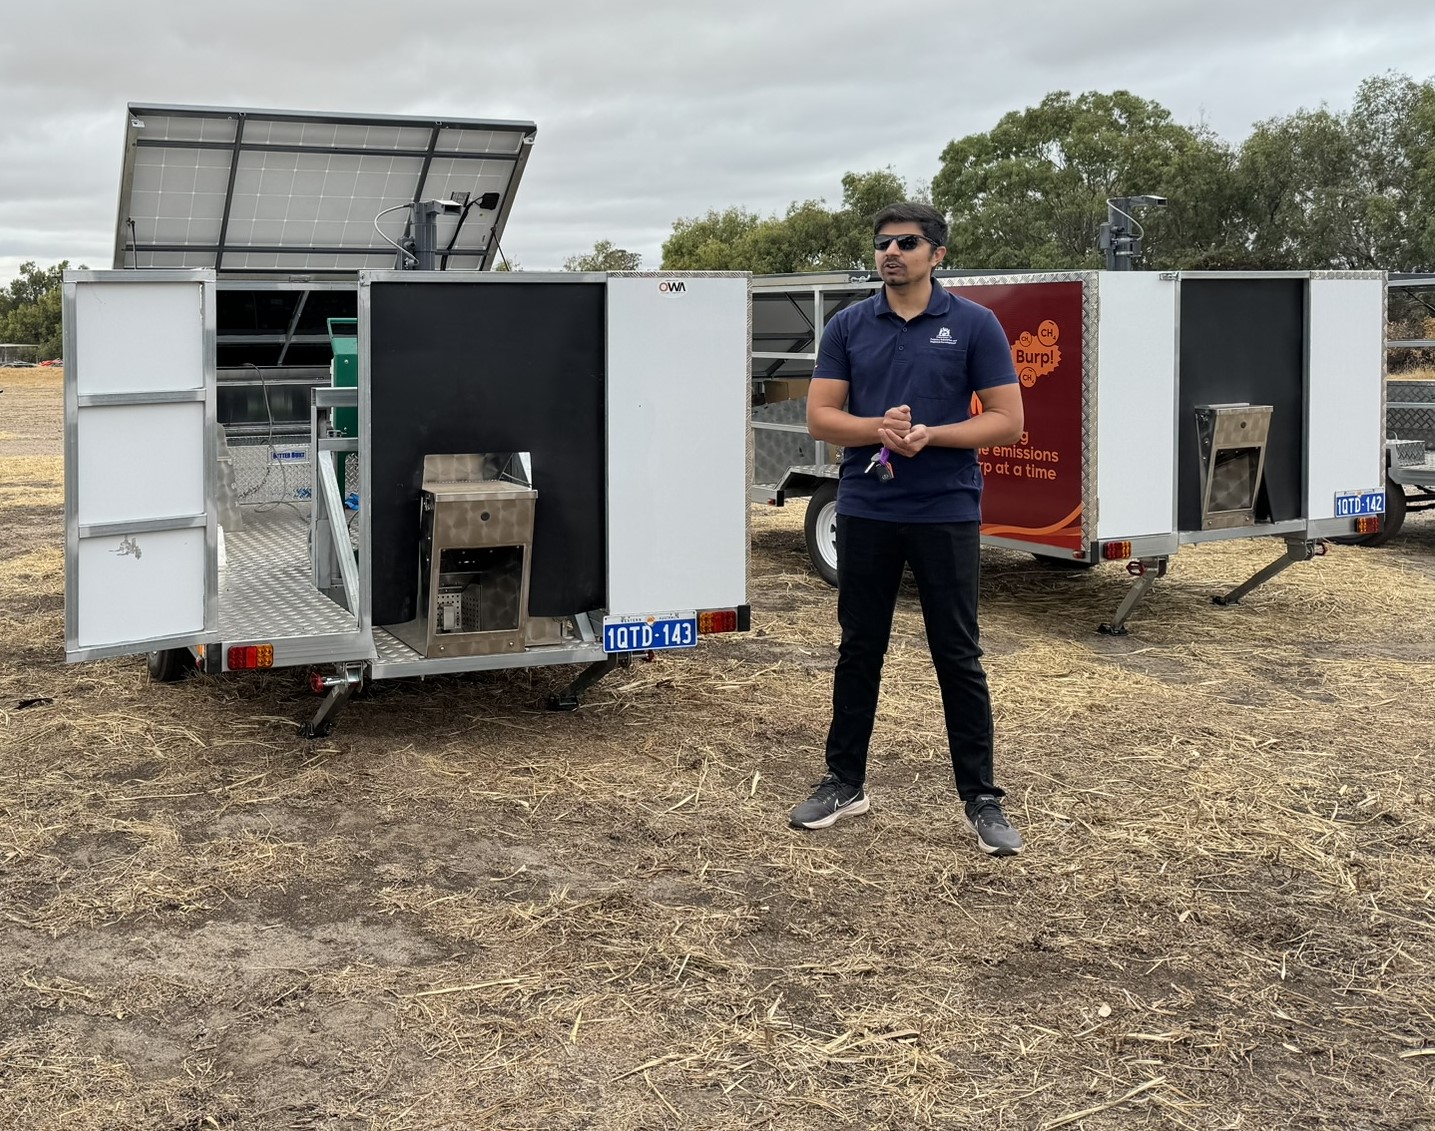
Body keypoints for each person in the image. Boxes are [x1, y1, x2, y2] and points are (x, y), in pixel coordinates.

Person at [788, 203, 1026, 856]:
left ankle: (981, 798)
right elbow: (818, 416)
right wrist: (877, 430)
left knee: (958, 654)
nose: (890, 252)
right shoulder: (847, 326)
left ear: (936, 254)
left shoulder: (974, 325)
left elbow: (1006, 420)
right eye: (881, 243)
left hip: (945, 510)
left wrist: (933, 435)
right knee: (859, 648)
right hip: (865, 509)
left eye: (906, 242)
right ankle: (844, 781)